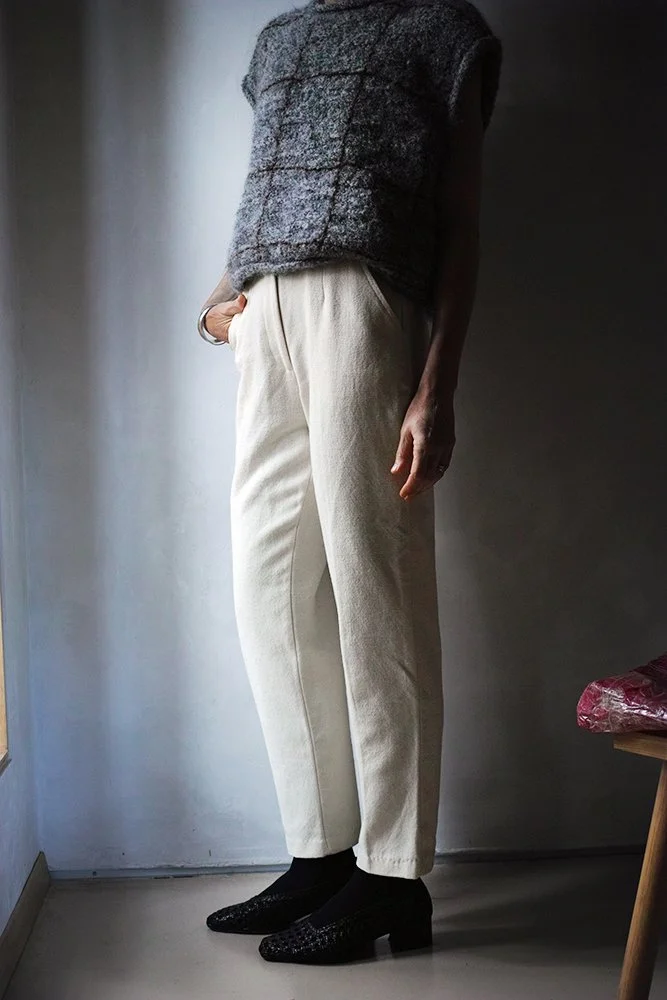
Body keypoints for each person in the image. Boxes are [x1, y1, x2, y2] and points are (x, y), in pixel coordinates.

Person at [197, 0, 501, 965]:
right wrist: (220, 304)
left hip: (365, 306)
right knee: (269, 594)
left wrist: (436, 384)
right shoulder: (279, 39)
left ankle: (393, 874)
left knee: (378, 593)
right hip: (262, 316)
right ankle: (319, 852)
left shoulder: (442, 31)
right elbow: (271, 182)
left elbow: (458, 220)